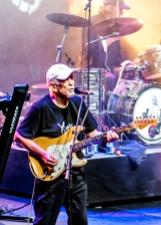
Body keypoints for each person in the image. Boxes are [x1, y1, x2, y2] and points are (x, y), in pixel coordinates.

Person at [15, 63, 119, 225]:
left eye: (72, 78)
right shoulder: (40, 108)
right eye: (66, 79)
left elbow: (93, 134)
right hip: (51, 175)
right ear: (53, 86)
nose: (71, 82)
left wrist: (107, 137)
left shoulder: (78, 103)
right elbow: (19, 136)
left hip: (76, 174)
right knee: (45, 222)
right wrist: (42, 154)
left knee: (79, 221)